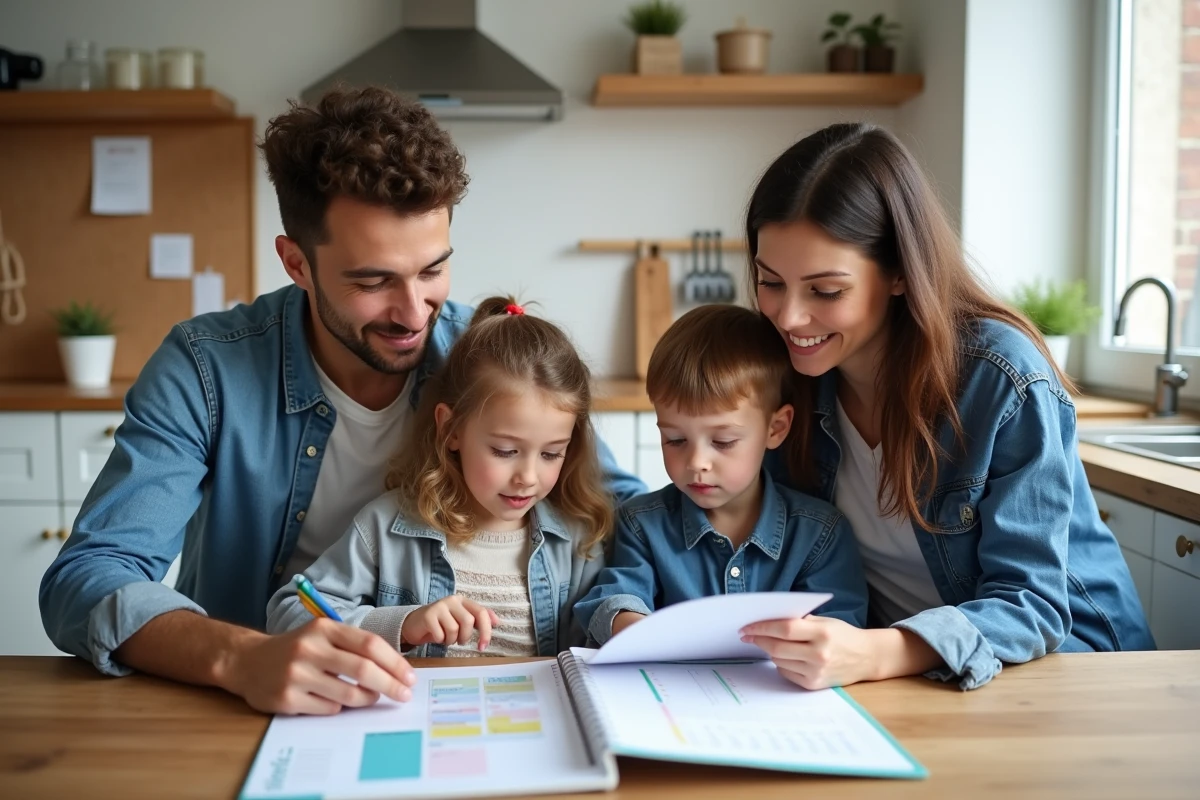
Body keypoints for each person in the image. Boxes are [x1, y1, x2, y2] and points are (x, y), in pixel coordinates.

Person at [38, 87, 644, 714]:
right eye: (373, 280)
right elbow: (88, 578)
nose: (414, 314)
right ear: (296, 263)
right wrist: (239, 656)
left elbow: (628, 514)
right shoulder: (206, 368)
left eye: (432, 270)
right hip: (238, 709)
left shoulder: (489, 363)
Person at [736, 122, 1154, 692]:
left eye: (825, 291)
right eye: (769, 282)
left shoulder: (1000, 377)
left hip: (1070, 668)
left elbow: (1031, 605)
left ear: (901, 274)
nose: (787, 318)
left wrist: (876, 652)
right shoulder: (784, 377)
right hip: (906, 673)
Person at [267, 297, 611, 664]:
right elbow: (288, 613)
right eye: (505, 451)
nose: (528, 477)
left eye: (550, 454)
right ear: (451, 429)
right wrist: (402, 625)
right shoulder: (387, 528)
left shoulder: (577, 541)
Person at [574, 304, 868, 644]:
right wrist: (633, 627)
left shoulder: (819, 534)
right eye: (675, 439)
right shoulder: (641, 525)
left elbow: (843, 630)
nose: (697, 461)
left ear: (776, 428)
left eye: (723, 442)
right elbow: (615, 599)